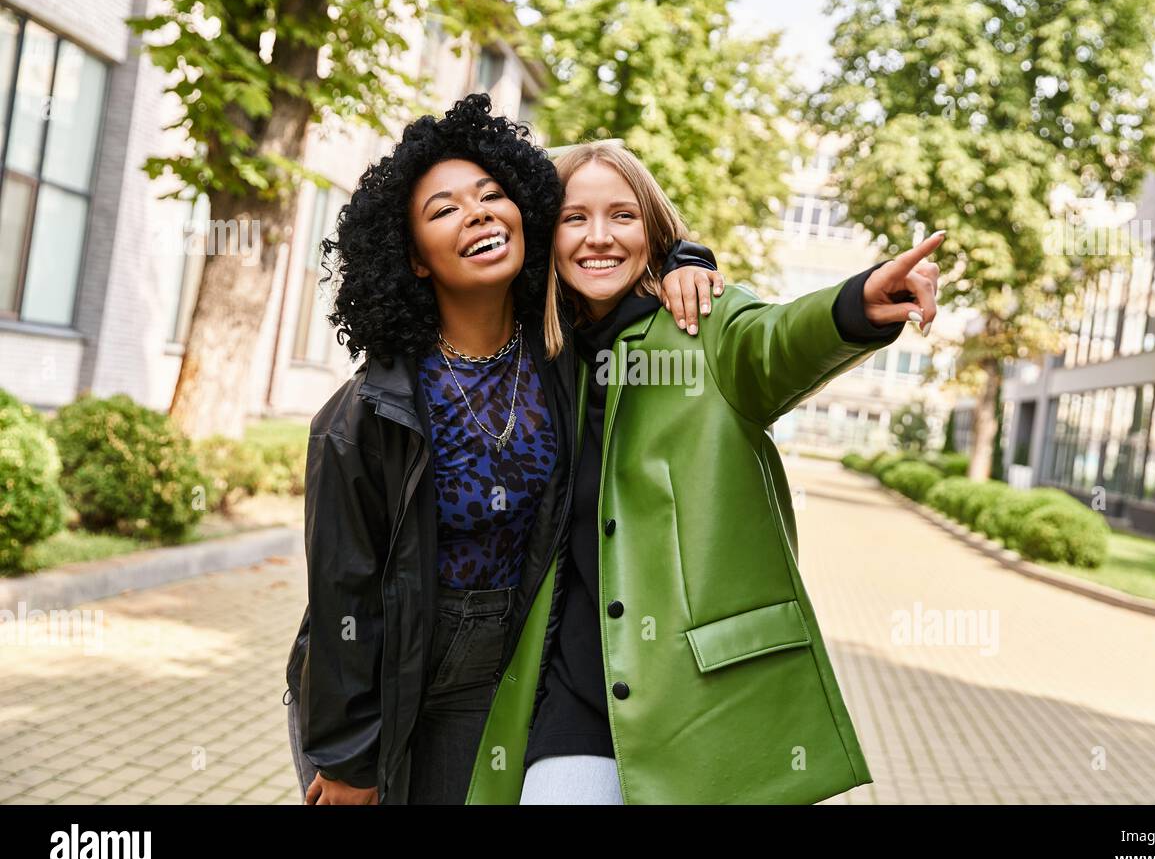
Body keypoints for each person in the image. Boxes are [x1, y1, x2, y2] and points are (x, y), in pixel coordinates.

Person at [461, 140, 945, 804]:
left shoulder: (704, 328)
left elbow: (776, 343)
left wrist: (855, 305)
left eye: (622, 216)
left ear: (654, 231)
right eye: (575, 218)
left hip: (698, 701)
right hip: (570, 699)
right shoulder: (534, 354)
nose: (598, 236)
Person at [282, 95, 722, 804]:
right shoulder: (366, 416)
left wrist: (688, 257)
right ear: (415, 260)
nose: (479, 213)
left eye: (492, 196)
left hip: (504, 678)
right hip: (385, 681)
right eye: (444, 210)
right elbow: (344, 597)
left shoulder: (565, 354)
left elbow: (611, 238)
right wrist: (345, 759)